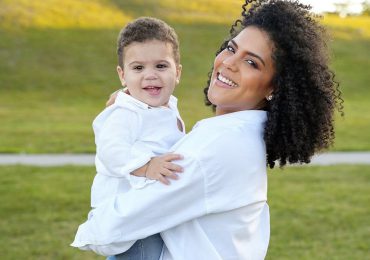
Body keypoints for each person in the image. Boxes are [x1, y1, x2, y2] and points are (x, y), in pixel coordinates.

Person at [71, 1, 343, 259]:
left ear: (274, 87)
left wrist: (90, 229)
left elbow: (115, 229)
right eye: (231, 48)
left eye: (252, 62)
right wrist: (131, 103)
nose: (228, 63)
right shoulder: (234, 137)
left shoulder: (221, 146)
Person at [78, 17, 185, 259]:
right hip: (131, 219)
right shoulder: (124, 113)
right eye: (138, 68)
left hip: (151, 212)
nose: (150, 76)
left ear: (177, 72)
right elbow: (111, 151)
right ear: (122, 75)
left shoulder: (165, 106)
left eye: (161, 66)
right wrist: (147, 165)